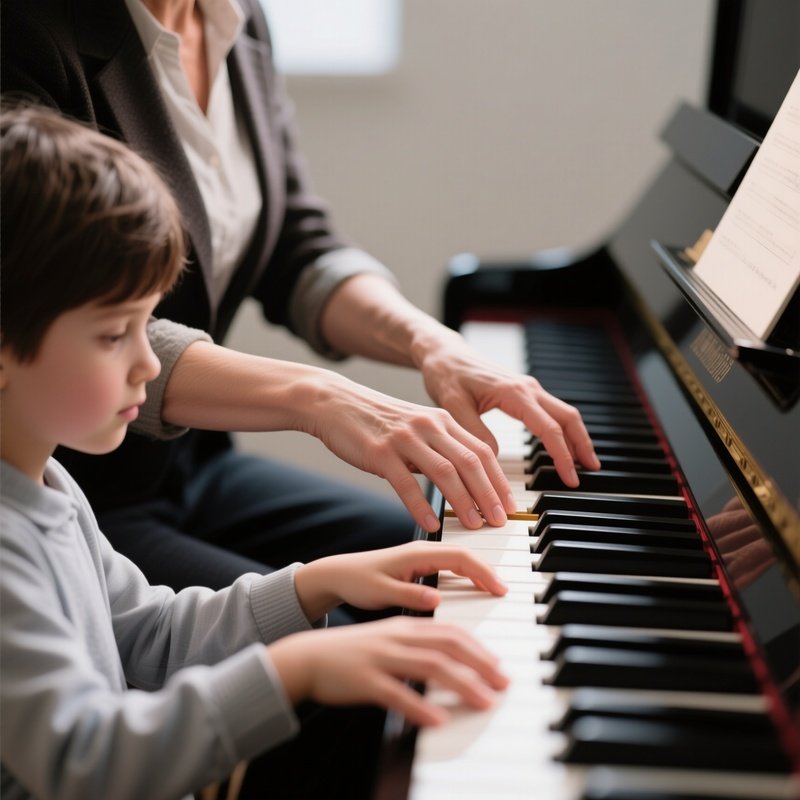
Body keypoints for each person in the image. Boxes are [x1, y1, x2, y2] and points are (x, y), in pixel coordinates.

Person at [0, 0, 600, 602]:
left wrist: (434, 344)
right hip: (74, 483)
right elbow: (57, 308)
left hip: (191, 466)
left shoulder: (238, 19)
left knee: (459, 562)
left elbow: (295, 248)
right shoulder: (25, 31)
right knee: (372, 642)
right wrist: (319, 399)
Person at [0, 103, 511, 800]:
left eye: (149, 325)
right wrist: (294, 671)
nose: (151, 365)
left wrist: (314, 584)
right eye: (114, 334)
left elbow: (147, 637)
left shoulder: (48, 483)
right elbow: (82, 761)